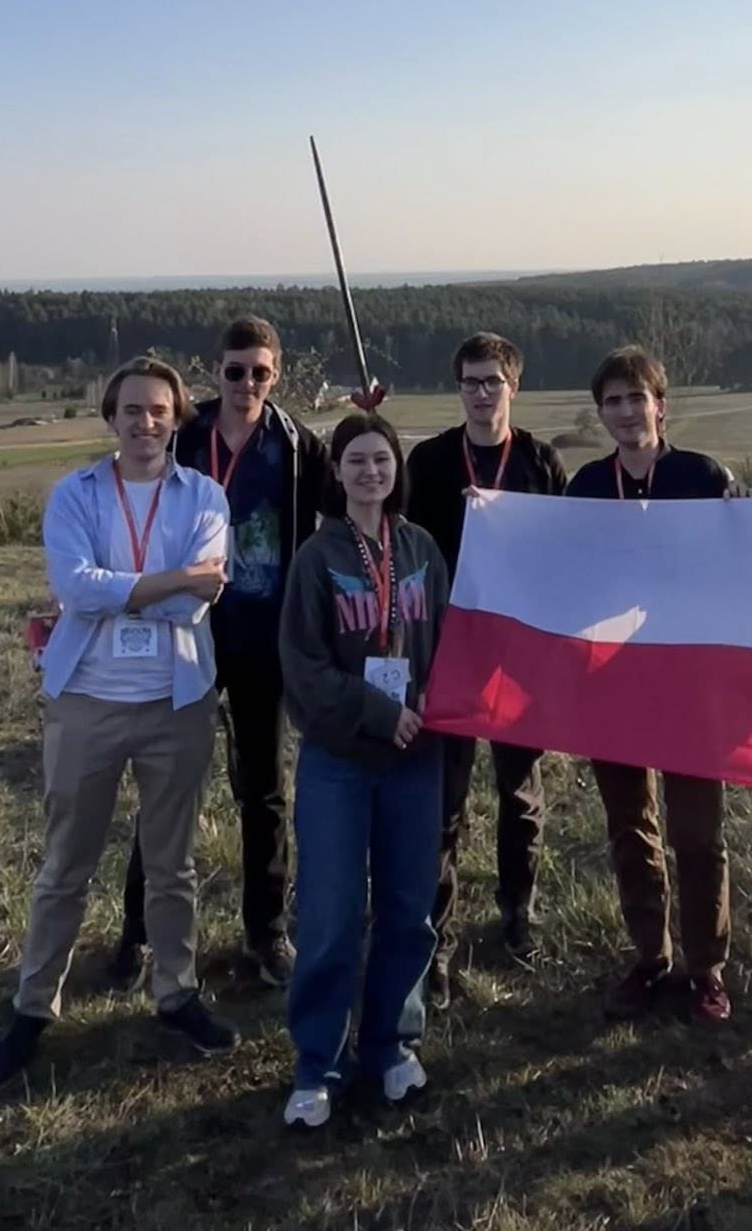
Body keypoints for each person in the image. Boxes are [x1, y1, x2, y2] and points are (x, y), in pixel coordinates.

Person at [0, 358, 238, 1092]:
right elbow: (74, 587)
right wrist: (172, 579)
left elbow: (198, 601)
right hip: (87, 702)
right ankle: (33, 1006)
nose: (144, 422)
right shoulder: (76, 494)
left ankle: (176, 992)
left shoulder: (205, 496)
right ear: (112, 417)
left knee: (172, 864)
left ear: (177, 418)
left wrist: (128, 590)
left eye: (158, 410)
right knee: (66, 863)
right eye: (131, 410)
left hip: (177, 703)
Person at [109, 316, 329, 992]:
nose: (247, 383)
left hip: (265, 641)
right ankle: (138, 935)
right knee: (168, 788)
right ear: (216, 371)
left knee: (263, 793)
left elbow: (355, 499)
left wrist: (368, 427)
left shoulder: (298, 445)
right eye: (235, 370)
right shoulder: (185, 433)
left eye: (260, 372)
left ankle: (266, 934)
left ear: (276, 375)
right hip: (185, 637)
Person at [278, 411, 451, 1128]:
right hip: (340, 762)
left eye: (382, 459)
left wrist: (437, 700)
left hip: (416, 761)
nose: (370, 471)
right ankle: (318, 1063)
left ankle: (392, 1045)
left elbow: (452, 638)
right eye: (356, 460)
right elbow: (304, 668)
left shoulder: (421, 548)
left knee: (409, 908)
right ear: (337, 471)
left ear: (396, 468)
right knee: (332, 913)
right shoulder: (317, 558)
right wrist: (380, 713)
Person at [566, 346, 736, 1025]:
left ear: (660, 406)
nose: (626, 411)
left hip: (691, 680)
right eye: (612, 401)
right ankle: (650, 957)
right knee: (630, 826)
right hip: (613, 681)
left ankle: (706, 966)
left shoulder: (703, 477)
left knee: (697, 832)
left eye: (637, 398)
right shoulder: (585, 486)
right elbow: (562, 567)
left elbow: (736, 563)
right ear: (601, 413)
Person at [405, 331, 567, 1002]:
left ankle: (516, 913)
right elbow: (406, 551)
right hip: (447, 652)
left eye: (492, 382)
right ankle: (435, 939)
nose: (480, 393)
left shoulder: (539, 461)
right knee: (443, 802)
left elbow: (567, 550)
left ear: (513, 387)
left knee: (519, 794)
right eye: (469, 382)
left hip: (518, 655)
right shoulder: (430, 461)